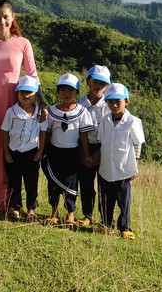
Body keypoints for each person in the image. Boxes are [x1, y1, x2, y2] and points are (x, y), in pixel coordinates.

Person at [0, 0, 46, 210]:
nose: (1, 21)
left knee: (12, 149)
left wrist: (42, 103)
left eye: (5, 16)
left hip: (15, 103)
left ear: (12, 18)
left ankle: (12, 200)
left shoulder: (23, 43)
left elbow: (33, 76)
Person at [42, 73, 94, 226]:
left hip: (72, 153)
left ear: (77, 93)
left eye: (70, 90)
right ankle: (54, 212)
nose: (66, 94)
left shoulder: (82, 112)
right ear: (58, 92)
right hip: (54, 153)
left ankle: (70, 214)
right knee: (53, 184)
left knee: (71, 185)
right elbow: (47, 132)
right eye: (63, 90)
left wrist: (86, 155)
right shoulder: (51, 111)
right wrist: (42, 151)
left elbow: (83, 135)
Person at [95, 83, 145, 239]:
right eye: (110, 101)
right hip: (105, 168)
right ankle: (105, 224)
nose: (114, 105)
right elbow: (101, 141)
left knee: (124, 201)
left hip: (123, 169)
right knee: (105, 199)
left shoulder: (133, 121)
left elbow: (137, 144)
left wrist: (135, 165)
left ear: (126, 101)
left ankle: (125, 227)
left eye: (118, 101)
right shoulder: (104, 120)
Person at [2, 75, 48, 221]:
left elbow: (43, 132)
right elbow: (5, 131)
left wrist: (40, 151)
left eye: (29, 92)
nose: (26, 95)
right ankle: (15, 207)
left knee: (31, 181)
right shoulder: (11, 111)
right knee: (14, 180)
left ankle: (31, 208)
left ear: (35, 95)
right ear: (17, 93)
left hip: (32, 152)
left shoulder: (40, 113)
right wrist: (6, 151)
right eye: (22, 92)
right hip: (13, 152)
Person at [76, 65, 111, 226]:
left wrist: (100, 153)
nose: (98, 86)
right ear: (87, 81)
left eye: (102, 84)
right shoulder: (79, 105)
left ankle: (104, 217)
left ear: (107, 87)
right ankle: (87, 215)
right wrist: (84, 154)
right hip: (84, 147)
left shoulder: (110, 107)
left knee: (104, 184)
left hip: (104, 148)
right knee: (86, 183)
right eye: (95, 81)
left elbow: (110, 133)